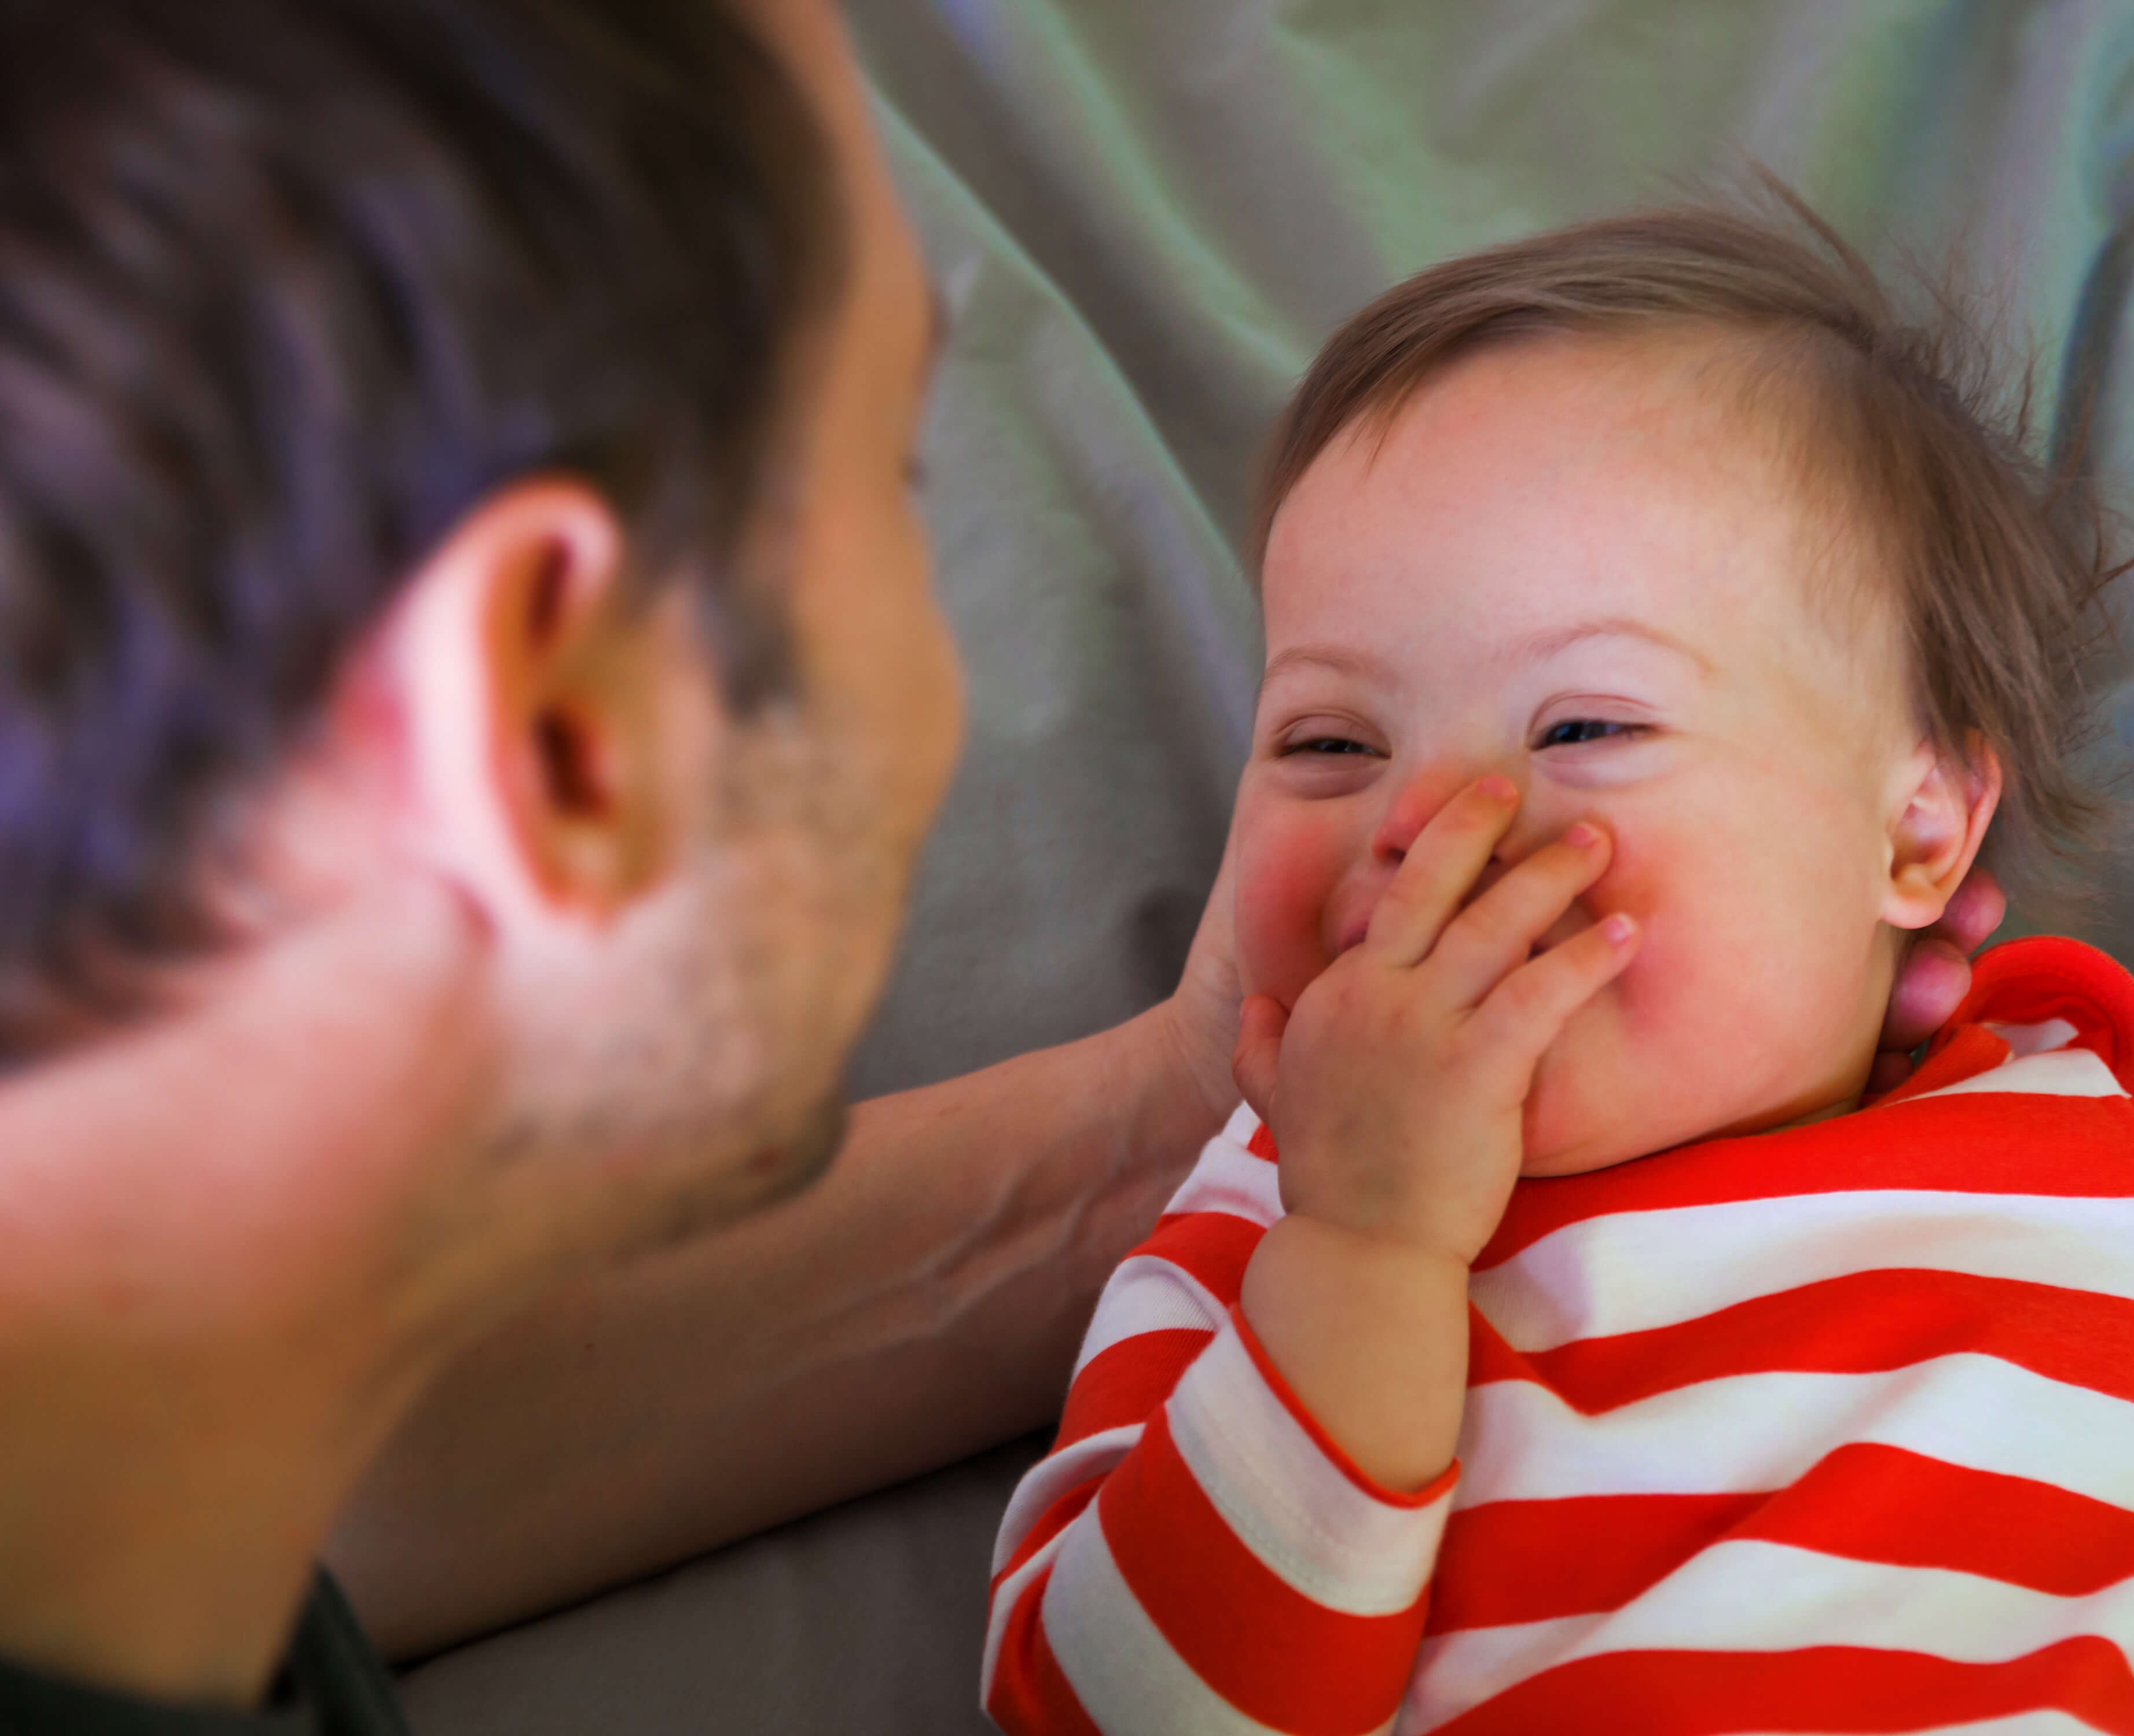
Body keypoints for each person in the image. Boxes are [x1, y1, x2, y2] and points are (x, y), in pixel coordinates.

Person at [0, 0, 1999, 1727]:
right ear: (549, 729)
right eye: (897, 478)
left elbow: (273, 1488)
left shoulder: (130, 1501)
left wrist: (1188, 1106)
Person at [980, 206, 2134, 1735]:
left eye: (1584, 727)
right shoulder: (1259, 1236)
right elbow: (1125, 1708)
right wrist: (1367, 1249)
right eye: (1328, 740)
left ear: (1912, 833)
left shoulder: (2097, 1211)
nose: (1428, 823)